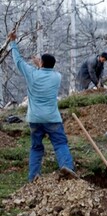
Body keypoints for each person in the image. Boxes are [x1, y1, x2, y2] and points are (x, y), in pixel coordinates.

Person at [8, 30, 76, 182]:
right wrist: (41, 65)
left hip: (35, 119)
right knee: (60, 143)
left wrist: (13, 42)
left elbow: (18, 61)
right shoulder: (57, 77)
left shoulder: (32, 74)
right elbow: (46, 71)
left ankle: (33, 177)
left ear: (41, 63)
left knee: (36, 147)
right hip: (52, 118)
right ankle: (67, 168)